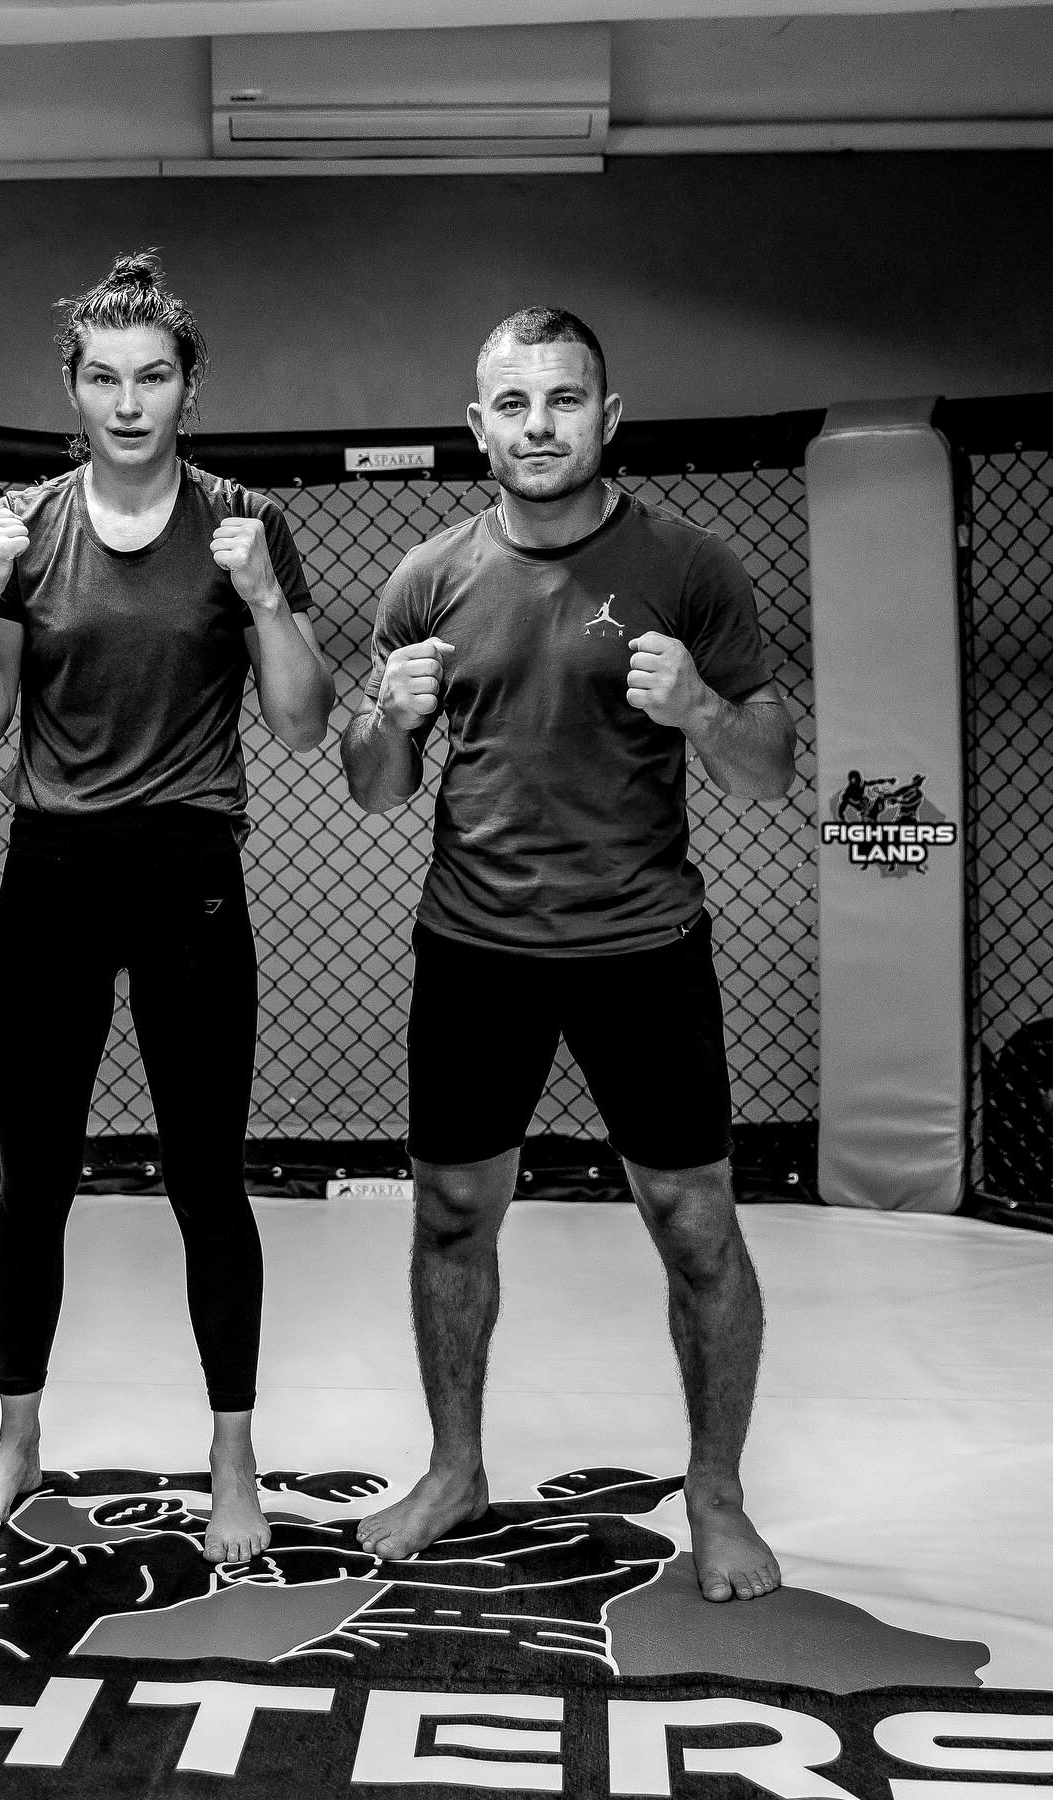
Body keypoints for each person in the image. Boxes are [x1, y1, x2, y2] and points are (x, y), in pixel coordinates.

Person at [339, 306, 797, 1602]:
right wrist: (387, 717)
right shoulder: (427, 578)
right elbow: (376, 788)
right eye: (513, 403)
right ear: (477, 425)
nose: (538, 426)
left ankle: (716, 1496)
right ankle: (455, 1468)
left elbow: (771, 769)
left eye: (563, 400)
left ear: (608, 416)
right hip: (475, 948)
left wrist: (699, 707)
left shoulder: (691, 567)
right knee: (451, 1214)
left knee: (695, 1223)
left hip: (643, 946)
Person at [0, 251, 334, 1561]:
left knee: (207, 1181)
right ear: (72, 387)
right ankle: (17, 1441)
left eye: (152, 377)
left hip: (187, 871)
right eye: (103, 377)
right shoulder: (23, 528)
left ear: (187, 387)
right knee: (35, 1177)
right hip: (54, 872)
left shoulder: (242, 524)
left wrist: (266, 597)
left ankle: (233, 1459)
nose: (127, 402)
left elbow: (300, 723)